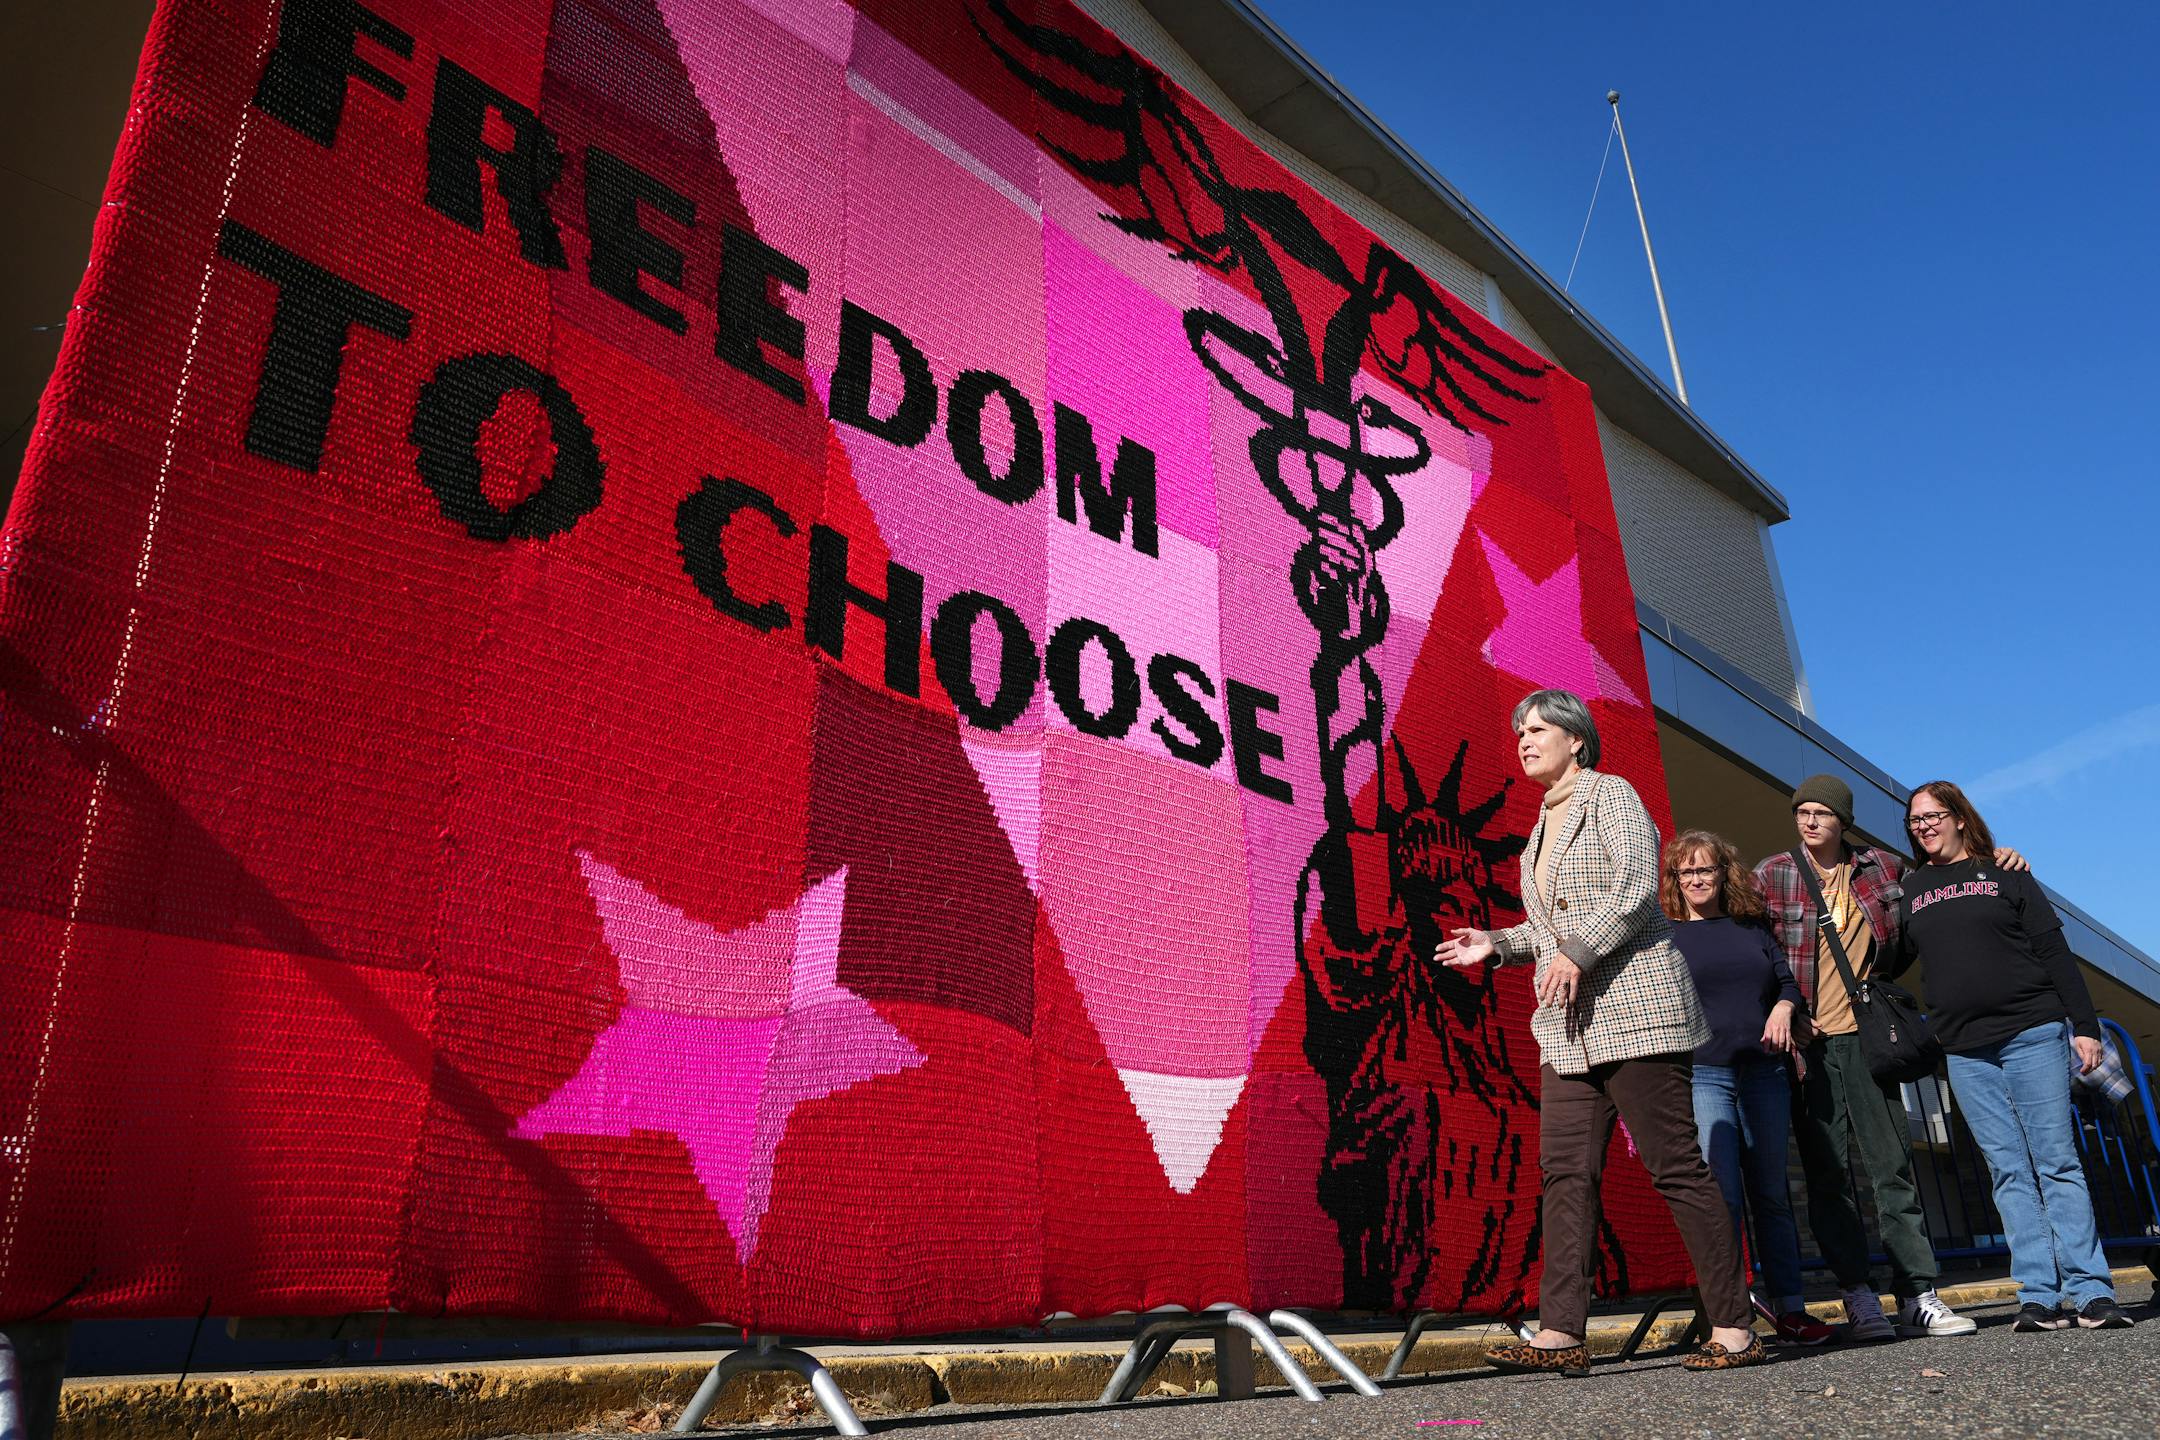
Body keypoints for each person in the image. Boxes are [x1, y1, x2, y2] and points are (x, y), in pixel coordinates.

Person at [1439, 689, 1766, 1375]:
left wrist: (1576, 950)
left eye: (1537, 728)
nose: (1524, 739)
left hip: (1637, 1013)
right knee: (1565, 1174)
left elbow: (1636, 886)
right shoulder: (1539, 827)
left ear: (1576, 740)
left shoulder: (1610, 795)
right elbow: (1547, 929)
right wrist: (1495, 943)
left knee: (1675, 1168)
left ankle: (1735, 1326)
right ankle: (1562, 1332)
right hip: (1567, 1029)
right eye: (1519, 730)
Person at [1753, 775, 2008, 1341]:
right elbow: (1758, 953)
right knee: (1828, 1175)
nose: (1810, 821)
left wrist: (1998, 860)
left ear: (1843, 820)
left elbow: (1947, 892)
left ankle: (1918, 1294)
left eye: (1822, 813)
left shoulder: (1884, 869)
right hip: (1809, 1044)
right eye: (1803, 812)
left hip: (1870, 1040)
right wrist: (1784, 1007)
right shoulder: (1773, 874)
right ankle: (1858, 1296)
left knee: (1892, 1168)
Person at [1890, 782, 2137, 1331]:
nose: (1923, 826)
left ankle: (2091, 1291)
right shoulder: (1911, 890)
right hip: (1964, 1048)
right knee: (2007, 1171)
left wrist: (2086, 1026)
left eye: (1933, 816)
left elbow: (2054, 951)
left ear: (1959, 818)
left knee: (2057, 1161)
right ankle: (2040, 1295)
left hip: (2033, 1031)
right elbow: (1888, 955)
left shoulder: (2006, 872)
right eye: (1914, 820)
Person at [1662, 830, 1834, 1346]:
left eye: (1706, 869)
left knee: (1772, 1195)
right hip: (1704, 1072)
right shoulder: (1664, 935)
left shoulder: (1751, 927)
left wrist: (1786, 1006)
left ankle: (1791, 1309)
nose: (1697, 879)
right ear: (1674, 879)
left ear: (1723, 874)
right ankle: (1729, 1316)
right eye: (1686, 871)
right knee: (1722, 1199)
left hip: (1764, 1072)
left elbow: (1785, 982)